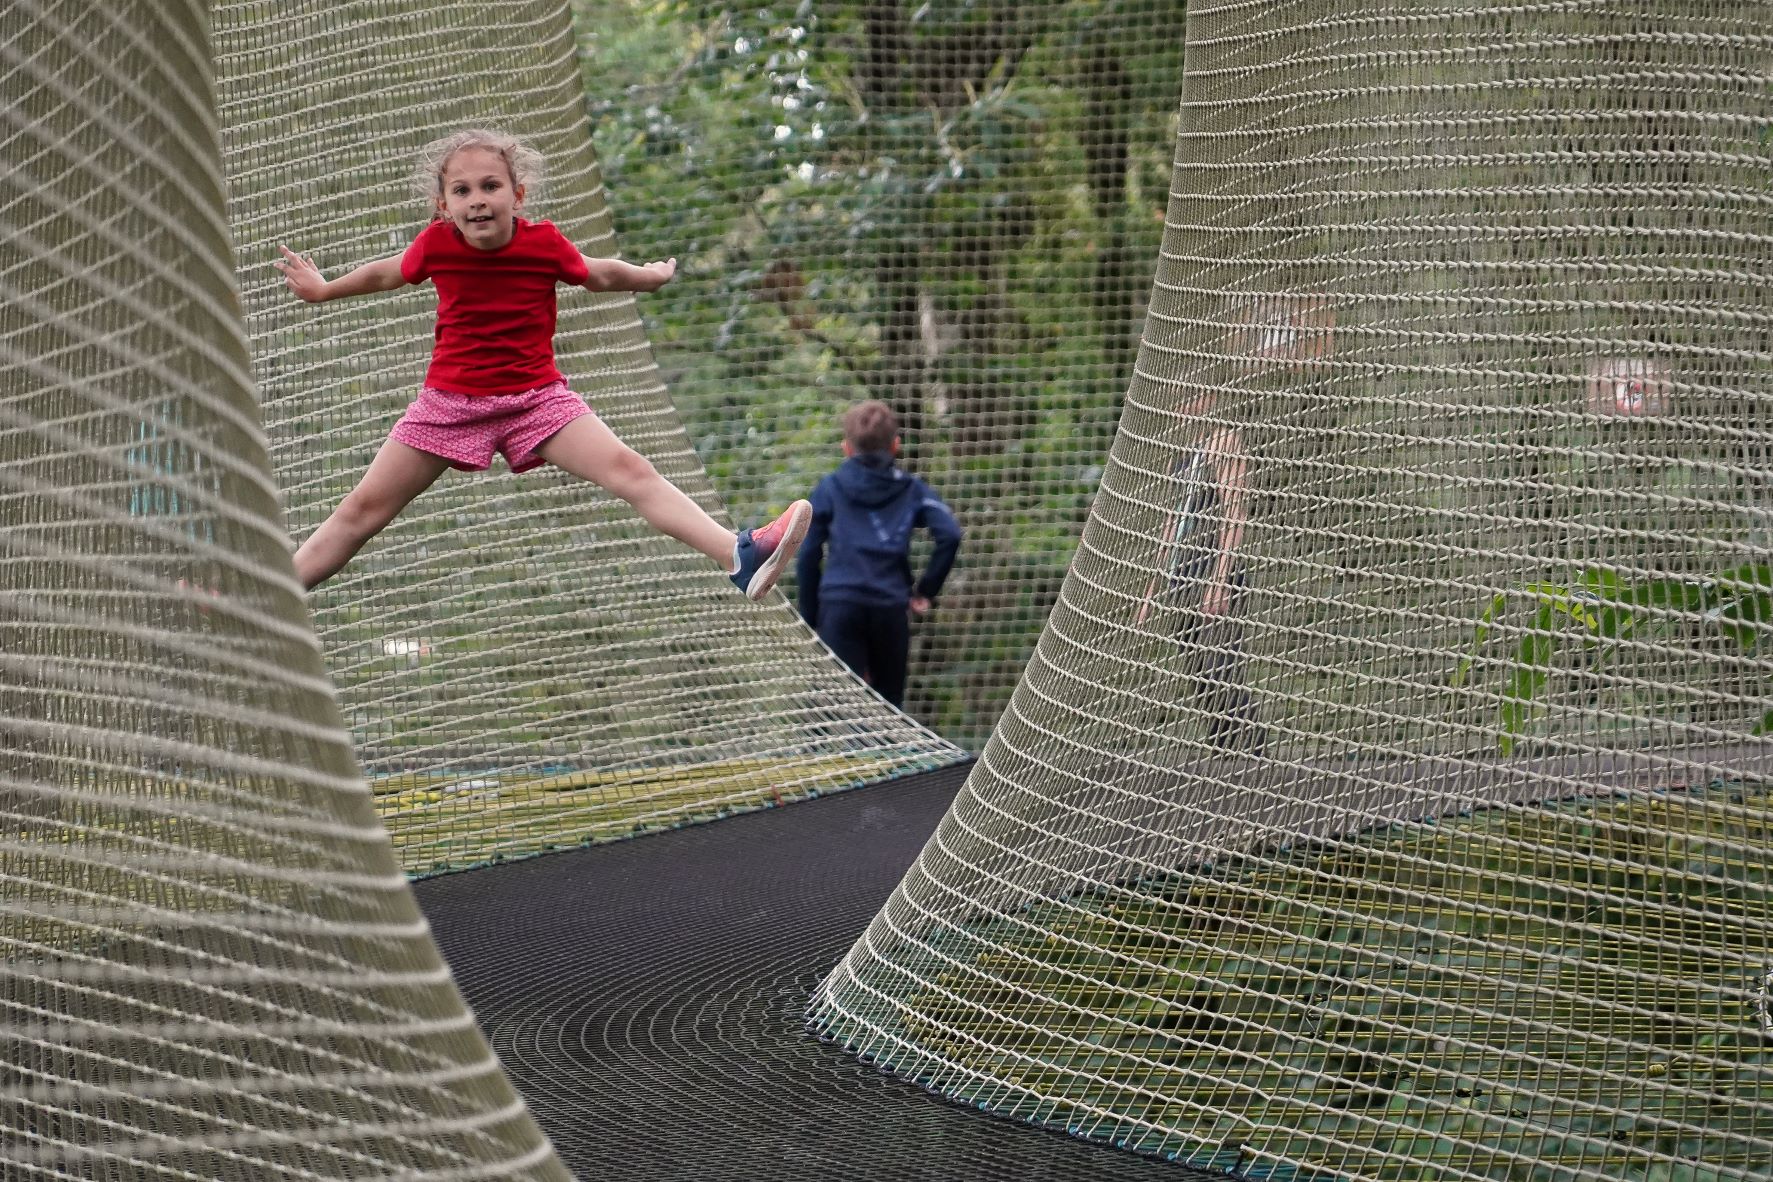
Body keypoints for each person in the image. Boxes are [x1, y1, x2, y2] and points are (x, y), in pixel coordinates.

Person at [273, 126, 809, 599]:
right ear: (443, 206)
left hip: (537, 401)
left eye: (490, 186)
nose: (477, 200)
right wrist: (324, 290)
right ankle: (266, 604)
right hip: (449, 405)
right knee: (361, 511)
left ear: (517, 194)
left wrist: (648, 276)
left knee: (632, 470)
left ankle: (740, 556)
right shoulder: (437, 245)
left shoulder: (543, 244)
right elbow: (385, 273)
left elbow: (599, 273)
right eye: (461, 191)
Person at [796, 401, 961, 709]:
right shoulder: (912, 489)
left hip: (840, 605)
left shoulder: (830, 488)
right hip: (889, 607)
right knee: (887, 708)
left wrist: (810, 615)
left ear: (846, 448)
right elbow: (949, 535)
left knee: (835, 705)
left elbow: (807, 553)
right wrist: (925, 591)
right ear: (895, 445)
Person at [1135, 421, 1265, 753]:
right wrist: (1151, 589)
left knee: (1220, 665)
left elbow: (1235, 511)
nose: (1183, 405)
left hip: (1215, 570)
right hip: (1184, 573)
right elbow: (1171, 521)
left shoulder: (1224, 441)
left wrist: (1219, 581)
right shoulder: (1182, 453)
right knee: (1196, 670)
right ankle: (1222, 746)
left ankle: (1251, 751)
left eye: (1193, 395)